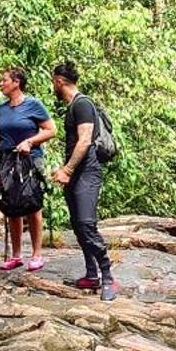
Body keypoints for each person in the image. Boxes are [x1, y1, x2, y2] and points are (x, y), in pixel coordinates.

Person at [50, 60, 115, 301]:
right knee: (78, 225)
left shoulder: (83, 104)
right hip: (75, 174)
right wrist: (65, 170)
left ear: (59, 81)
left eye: (52, 83)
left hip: (87, 172)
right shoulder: (73, 107)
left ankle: (108, 276)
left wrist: (66, 170)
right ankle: (91, 274)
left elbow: (85, 140)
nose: (52, 87)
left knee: (87, 224)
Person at [0, 66, 55, 271]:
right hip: (7, 160)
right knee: (11, 205)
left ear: (16, 82)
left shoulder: (34, 105)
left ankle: (37, 254)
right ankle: (16, 255)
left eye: (4, 80)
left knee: (32, 203)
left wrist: (30, 142)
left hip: (29, 160)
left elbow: (51, 130)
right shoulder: (1, 109)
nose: (1, 83)